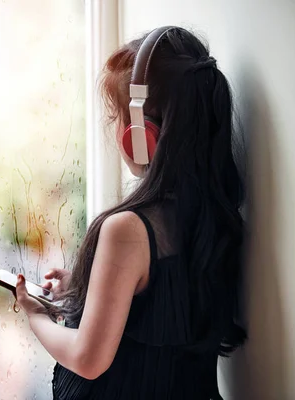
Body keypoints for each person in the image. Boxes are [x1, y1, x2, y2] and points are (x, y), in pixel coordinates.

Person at [14, 26, 246, 399]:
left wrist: (36, 315)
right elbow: (163, 308)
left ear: (142, 135)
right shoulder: (212, 216)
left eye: (116, 118)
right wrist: (84, 286)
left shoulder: (128, 229)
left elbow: (88, 359)